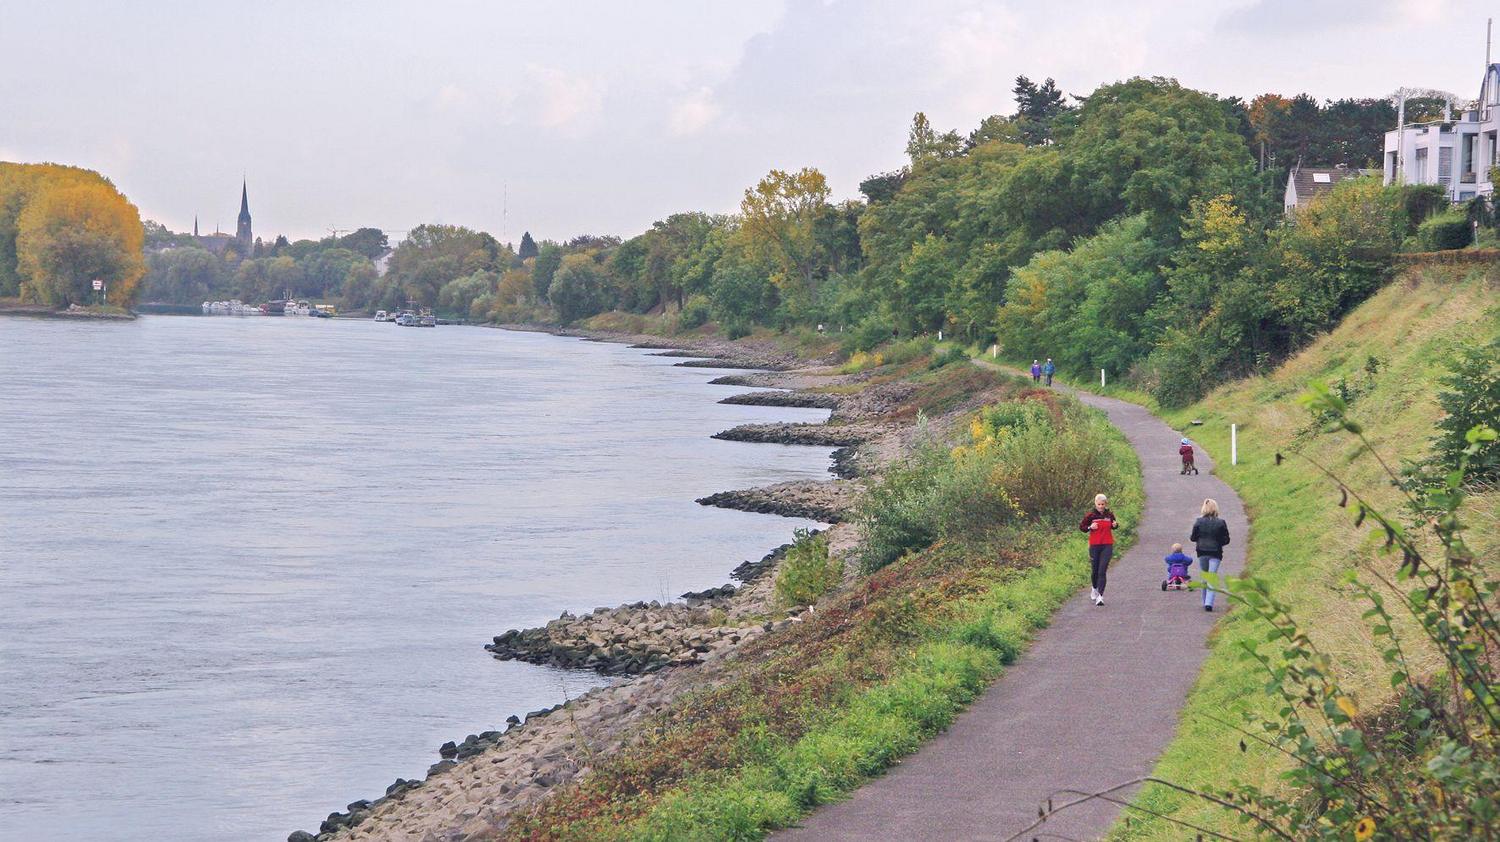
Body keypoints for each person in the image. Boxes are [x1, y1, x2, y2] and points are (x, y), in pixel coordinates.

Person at [1190, 498, 1231, 612]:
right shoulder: (1221, 522)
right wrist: (1218, 542)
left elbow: (1193, 538)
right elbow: (1226, 539)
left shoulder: (1198, 521)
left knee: (1205, 576)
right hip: (1215, 552)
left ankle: (1205, 601)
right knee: (1212, 577)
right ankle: (1209, 603)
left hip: (1202, 552)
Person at [1079, 493, 1119, 606]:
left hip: (1107, 545)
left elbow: (1114, 525)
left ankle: (1100, 597)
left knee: (1102, 571)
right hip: (1095, 545)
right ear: (1095, 504)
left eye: (1103, 504)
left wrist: (1115, 525)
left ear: (1105, 504)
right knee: (1095, 570)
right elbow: (1082, 527)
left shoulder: (1109, 515)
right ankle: (1094, 588)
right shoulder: (1090, 515)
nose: (1101, 506)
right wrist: (1089, 527)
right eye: (1099, 504)